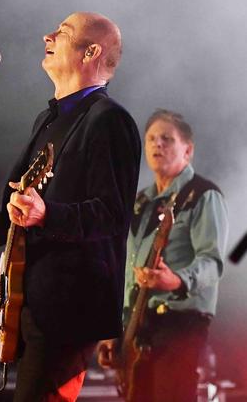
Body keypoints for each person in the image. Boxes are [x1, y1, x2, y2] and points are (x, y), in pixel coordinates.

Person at [0, 12, 141, 402]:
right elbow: (25, 208)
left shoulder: (109, 121)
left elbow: (112, 214)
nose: (47, 35)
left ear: (91, 51)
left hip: (68, 306)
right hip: (30, 300)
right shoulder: (47, 120)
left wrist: (47, 214)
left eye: (62, 32)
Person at [97, 109, 228, 402]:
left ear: (188, 150)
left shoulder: (204, 195)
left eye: (167, 139)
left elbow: (212, 262)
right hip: (137, 328)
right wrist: (113, 330)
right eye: (152, 139)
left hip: (180, 325)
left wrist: (177, 281)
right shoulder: (140, 202)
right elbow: (125, 270)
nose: (158, 145)